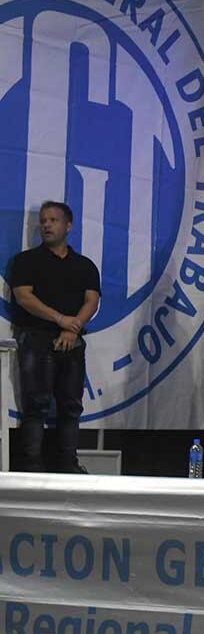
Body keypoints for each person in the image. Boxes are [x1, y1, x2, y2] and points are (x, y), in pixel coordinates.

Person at [7, 201, 100, 473]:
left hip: (72, 341)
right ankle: (31, 465)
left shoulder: (84, 266)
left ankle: (68, 464)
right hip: (35, 338)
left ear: (68, 226)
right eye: (44, 220)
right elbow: (24, 297)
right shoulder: (26, 261)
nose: (46, 225)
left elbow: (91, 301)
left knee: (71, 406)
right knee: (36, 404)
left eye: (53, 220)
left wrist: (72, 329)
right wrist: (61, 320)